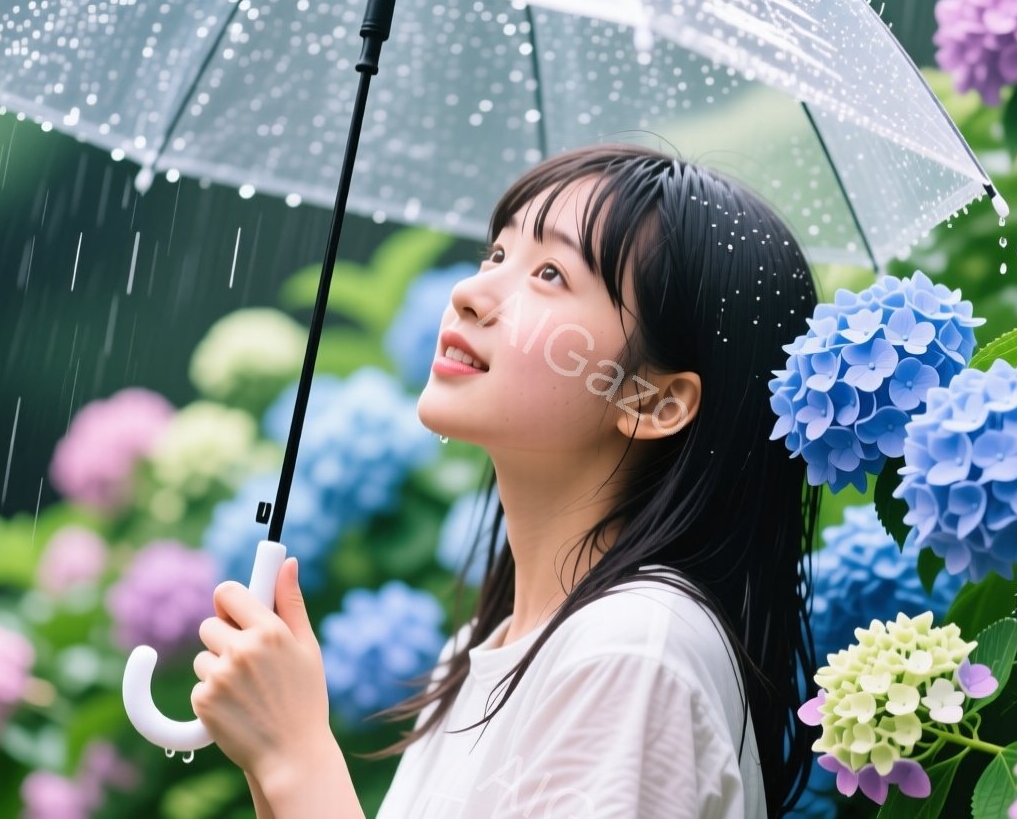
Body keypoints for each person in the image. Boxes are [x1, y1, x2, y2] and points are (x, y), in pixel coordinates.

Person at [192, 144, 824, 819]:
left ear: (653, 401)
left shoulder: (633, 652)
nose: (469, 292)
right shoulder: (479, 651)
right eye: (497, 255)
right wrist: (270, 759)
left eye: (550, 273)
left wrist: (296, 756)